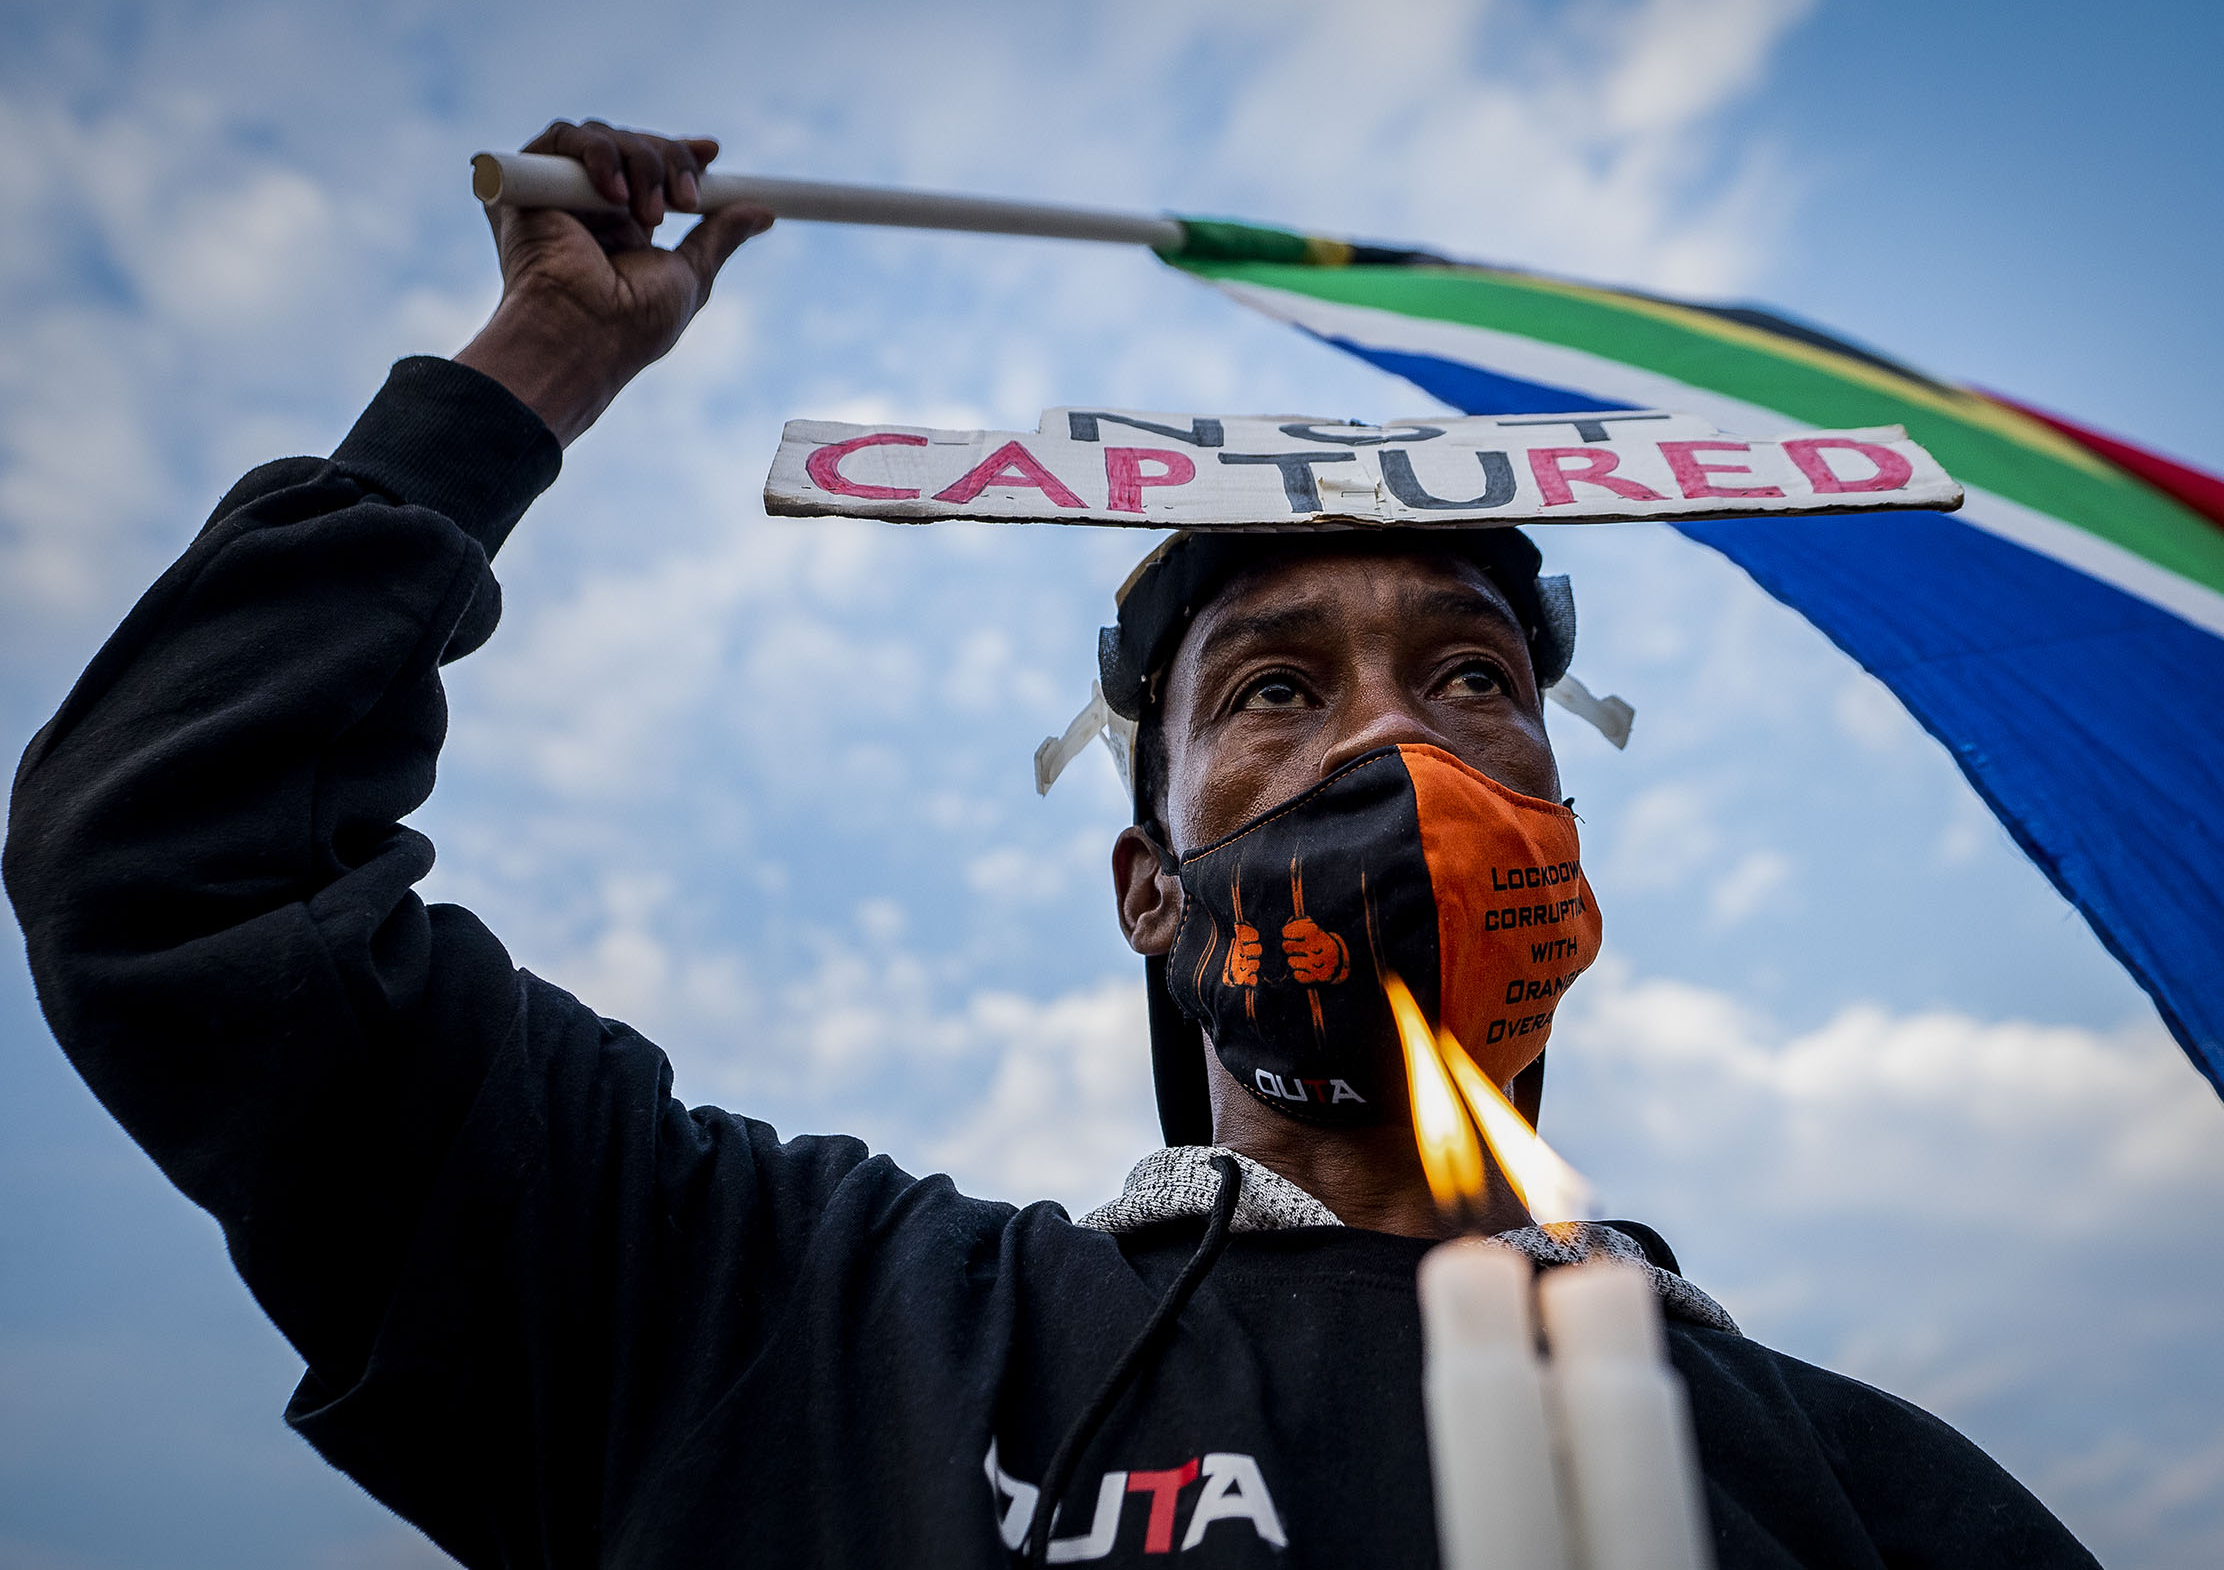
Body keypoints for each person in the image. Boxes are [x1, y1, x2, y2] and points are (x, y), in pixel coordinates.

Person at [5, 120, 2100, 1568]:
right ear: (1146, 885)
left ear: (1567, 844)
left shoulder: (1865, 1487)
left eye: (1471, 677)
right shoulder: (784, 1322)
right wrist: (532, 366)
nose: (1393, 730)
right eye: (1277, 687)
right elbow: (177, 870)